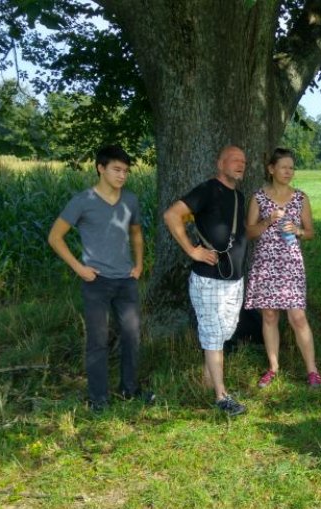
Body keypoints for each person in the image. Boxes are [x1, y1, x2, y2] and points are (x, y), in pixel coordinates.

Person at [48, 145, 154, 412]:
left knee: (132, 336)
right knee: (97, 341)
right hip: (96, 281)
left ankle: (130, 389)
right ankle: (98, 399)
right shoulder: (83, 201)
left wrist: (139, 265)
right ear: (100, 168)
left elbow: (136, 233)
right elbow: (55, 237)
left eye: (126, 171)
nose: (122, 175)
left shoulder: (130, 200)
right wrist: (78, 268)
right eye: (116, 169)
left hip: (126, 280)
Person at [163, 145, 249, 416]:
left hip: (234, 279)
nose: (240, 164)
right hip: (208, 279)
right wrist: (192, 250)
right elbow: (172, 215)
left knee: (225, 331)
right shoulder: (207, 190)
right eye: (234, 160)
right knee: (213, 334)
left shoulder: (239, 196)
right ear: (220, 164)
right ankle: (222, 397)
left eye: (243, 161)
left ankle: (207, 377)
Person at [243, 148, 321, 389]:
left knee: (298, 317)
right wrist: (268, 221)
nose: (288, 172)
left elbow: (310, 232)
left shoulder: (300, 198)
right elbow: (249, 232)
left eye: (291, 168)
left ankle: (312, 371)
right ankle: (273, 367)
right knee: (269, 316)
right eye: (284, 167)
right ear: (271, 169)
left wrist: (297, 231)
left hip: (291, 264)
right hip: (266, 263)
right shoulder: (258, 198)